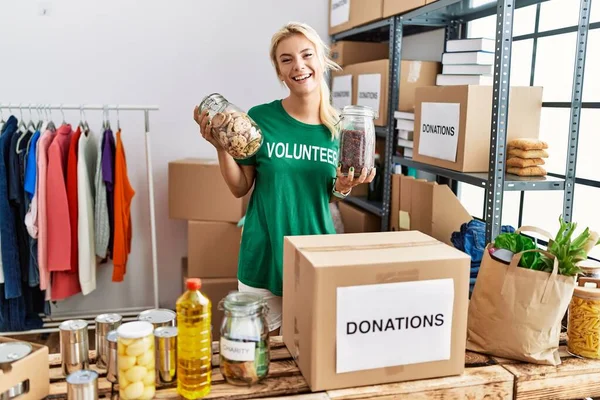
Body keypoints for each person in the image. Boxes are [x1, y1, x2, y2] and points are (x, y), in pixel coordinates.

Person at [193, 22, 376, 335]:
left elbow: (327, 194)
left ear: (322, 60)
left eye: (306, 55)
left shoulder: (341, 127)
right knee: (256, 359)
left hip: (316, 257)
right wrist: (220, 147)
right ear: (279, 71)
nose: (299, 66)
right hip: (262, 258)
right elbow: (240, 188)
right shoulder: (260, 118)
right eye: (286, 59)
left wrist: (343, 189)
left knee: (310, 358)